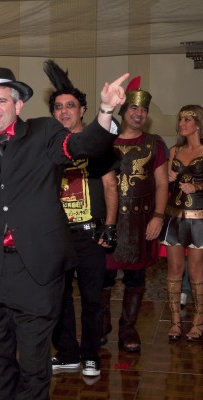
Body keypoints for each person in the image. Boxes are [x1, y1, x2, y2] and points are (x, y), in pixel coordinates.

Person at [0, 66, 128, 399]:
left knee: (33, 361)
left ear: (18, 104)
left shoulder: (44, 132)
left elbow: (82, 146)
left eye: (1, 100)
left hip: (37, 268)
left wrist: (106, 111)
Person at [42, 60, 119, 379]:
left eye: (70, 106)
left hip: (90, 234)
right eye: (58, 107)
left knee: (91, 299)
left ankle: (90, 355)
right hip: (57, 236)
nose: (64, 112)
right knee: (57, 299)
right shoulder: (48, 147)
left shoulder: (97, 144)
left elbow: (111, 185)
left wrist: (110, 225)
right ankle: (67, 354)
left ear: (83, 110)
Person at [101, 77, 168, 352]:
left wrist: (158, 216)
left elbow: (162, 183)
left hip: (141, 221)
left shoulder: (154, 143)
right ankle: (102, 325)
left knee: (136, 277)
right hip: (110, 220)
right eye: (134, 108)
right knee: (103, 277)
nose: (139, 114)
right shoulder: (104, 141)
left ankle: (128, 327)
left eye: (143, 110)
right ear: (122, 110)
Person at [160, 104, 203, 341]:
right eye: (180, 119)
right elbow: (164, 184)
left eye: (187, 119)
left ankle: (198, 322)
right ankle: (175, 322)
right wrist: (168, 178)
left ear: (198, 124)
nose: (182, 124)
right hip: (174, 216)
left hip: (199, 218)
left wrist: (197, 186)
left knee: (196, 271)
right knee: (174, 269)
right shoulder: (174, 150)